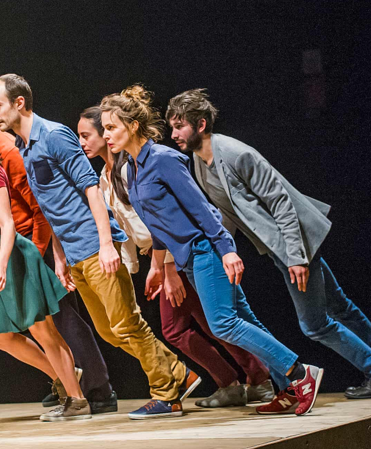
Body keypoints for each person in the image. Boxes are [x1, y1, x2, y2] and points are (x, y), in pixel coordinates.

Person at [100, 85, 325, 416]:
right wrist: (157, 267)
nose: (106, 135)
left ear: (133, 126)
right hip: (189, 259)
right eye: (104, 128)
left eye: (111, 127)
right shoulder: (132, 168)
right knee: (244, 320)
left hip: (205, 250)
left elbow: (202, 209)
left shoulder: (163, 160)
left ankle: (301, 373)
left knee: (223, 324)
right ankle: (289, 388)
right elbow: (159, 226)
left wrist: (226, 249)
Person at [166, 88, 371, 401]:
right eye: (172, 127)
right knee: (340, 307)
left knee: (315, 325)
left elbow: (280, 202)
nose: (174, 135)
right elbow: (228, 214)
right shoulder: (200, 162)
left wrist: (296, 257)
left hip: (296, 244)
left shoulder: (236, 153)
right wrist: (225, 251)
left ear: (200, 125)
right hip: (283, 248)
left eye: (179, 126)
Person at [0, 74, 199, 419]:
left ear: (19, 103)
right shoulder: (25, 148)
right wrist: (60, 258)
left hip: (94, 245)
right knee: (108, 331)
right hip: (74, 253)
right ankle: (178, 372)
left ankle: (166, 391)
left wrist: (106, 244)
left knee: (127, 325)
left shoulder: (54, 135)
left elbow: (91, 189)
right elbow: (50, 208)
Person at [0, 74, 117, 414]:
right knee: (11, 331)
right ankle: (69, 383)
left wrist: (38, 253)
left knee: (58, 324)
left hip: (27, 244)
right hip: (1, 249)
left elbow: (38, 204)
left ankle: (93, 390)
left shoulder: (4, 149)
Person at [77, 107, 274, 407]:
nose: (85, 141)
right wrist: (141, 267)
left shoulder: (135, 167)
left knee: (203, 324)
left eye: (90, 134)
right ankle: (242, 380)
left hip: (179, 253)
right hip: (161, 254)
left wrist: (168, 268)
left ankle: (257, 377)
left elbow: (171, 216)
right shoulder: (107, 175)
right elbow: (129, 227)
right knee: (198, 325)